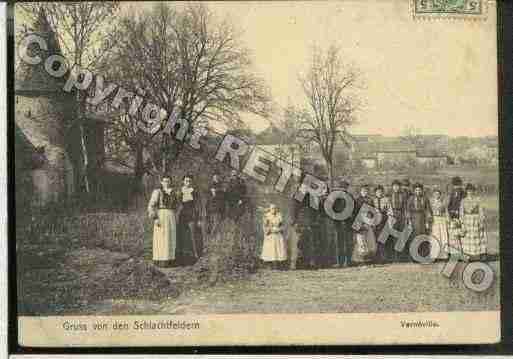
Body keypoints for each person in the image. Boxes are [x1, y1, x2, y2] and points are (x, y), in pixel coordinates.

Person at [147, 175, 181, 267]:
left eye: (168, 181)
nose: (167, 183)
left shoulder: (174, 192)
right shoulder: (157, 192)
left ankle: (169, 259)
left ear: (171, 182)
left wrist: (176, 215)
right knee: (161, 238)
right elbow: (151, 205)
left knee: (170, 237)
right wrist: (155, 218)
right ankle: (160, 259)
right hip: (161, 215)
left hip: (171, 216)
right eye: (165, 181)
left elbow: (178, 206)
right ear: (161, 182)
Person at [460, 183, 487, 261]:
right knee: (468, 237)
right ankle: (468, 256)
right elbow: (461, 212)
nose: (470, 192)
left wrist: (481, 221)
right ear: (466, 191)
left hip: (476, 220)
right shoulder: (463, 201)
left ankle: (482, 255)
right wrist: (462, 222)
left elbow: (481, 211)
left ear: (474, 191)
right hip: (467, 220)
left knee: (478, 237)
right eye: (468, 191)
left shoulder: (478, 199)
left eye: (471, 190)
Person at [405, 183, 433, 260]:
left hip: (422, 219)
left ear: (421, 190)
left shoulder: (425, 199)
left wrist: (427, 222)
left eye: (419, 190)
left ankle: (423, 256)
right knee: (414, 237)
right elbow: (407, 211)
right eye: (416, 190)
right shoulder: (410, 199)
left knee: (422, 237)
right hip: (414, 219)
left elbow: (428, 210)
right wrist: (409, 222)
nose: (418, 191)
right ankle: (414, 256)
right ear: (414, 190)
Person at [177, 175, 201, 263]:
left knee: (193, 234)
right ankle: (182, 255)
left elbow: (198, 206)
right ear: (183, 181)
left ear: (192, 182)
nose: (188, 182)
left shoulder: (194, 192)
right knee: (182, 234)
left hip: (192, 214)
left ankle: (195, 254)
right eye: (186, 181)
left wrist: (199, 219)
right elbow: (176, 203)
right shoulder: (179, 191)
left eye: (190, 181)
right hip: (182, 214)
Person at [352, 184, 377, 265]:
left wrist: (372, 221)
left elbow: (373, 212)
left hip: (368, 221)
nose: (365, 192)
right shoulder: (357, 200)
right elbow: (354, 212)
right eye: (363, 191)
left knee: (370, 240)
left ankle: (369, 260)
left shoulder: (370, 200)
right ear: (360, 191)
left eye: (366, 191)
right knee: (361, 241)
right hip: (359, 221)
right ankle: (360, 261)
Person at [332, 180, 354, 268]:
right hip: (338, 223)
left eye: (344, 189)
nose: (343, 190)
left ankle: (347, 261)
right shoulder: (335, 198)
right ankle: (339, 262)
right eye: (341, 189)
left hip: (347, 223)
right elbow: (332, 210)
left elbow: (354, 210)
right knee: (339, 242)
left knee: (347, 242)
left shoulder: (350, 197)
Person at [261, 204, 288, 269]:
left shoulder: (279, 215)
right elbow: (265, 226)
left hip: (278, 234)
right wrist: (270, 230)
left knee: (278, 248)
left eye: (275, 208)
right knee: (270, 249)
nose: (274, 210)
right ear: (270, 209)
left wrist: (280, 229)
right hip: (270, 234)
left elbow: (282, 225)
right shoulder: (267, 216)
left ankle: (277, 264)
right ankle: (269, 264)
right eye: (272, 208)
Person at [389, 179, 408, 262]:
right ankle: (394, 256)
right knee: (393, 235)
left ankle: (401, 256)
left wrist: (406, 218)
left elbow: (405, 207)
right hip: (392, 215)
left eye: (397, 186)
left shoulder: (403, 195)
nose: (396, 188)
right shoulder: (389, 195)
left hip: (401, 215)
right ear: (392, 187)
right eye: (394, 186)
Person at [373, 185, 393, 264]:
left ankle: (384, 258)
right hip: (376, 220)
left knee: (384, 239)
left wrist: (390, 221)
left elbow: (390, 210)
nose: (379, 193)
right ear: (375, 193)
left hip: (384, 220)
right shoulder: (373, 200)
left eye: (380, 192)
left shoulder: (386, 200)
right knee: (376, 239)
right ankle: (377, 258)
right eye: (377, 192)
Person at [429, 189, 450, 260]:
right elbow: (429, 212)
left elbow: (446, 212)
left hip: (442, 220)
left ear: (440, 195)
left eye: (438, 194)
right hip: (434, 220)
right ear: (433, 195)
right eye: (435, 194)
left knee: (443, 236)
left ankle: (443, 255)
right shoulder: (431, 203)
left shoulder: (443, 203)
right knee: (435, 236)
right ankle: (435, 255)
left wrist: (448, 220)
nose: (437, 195)